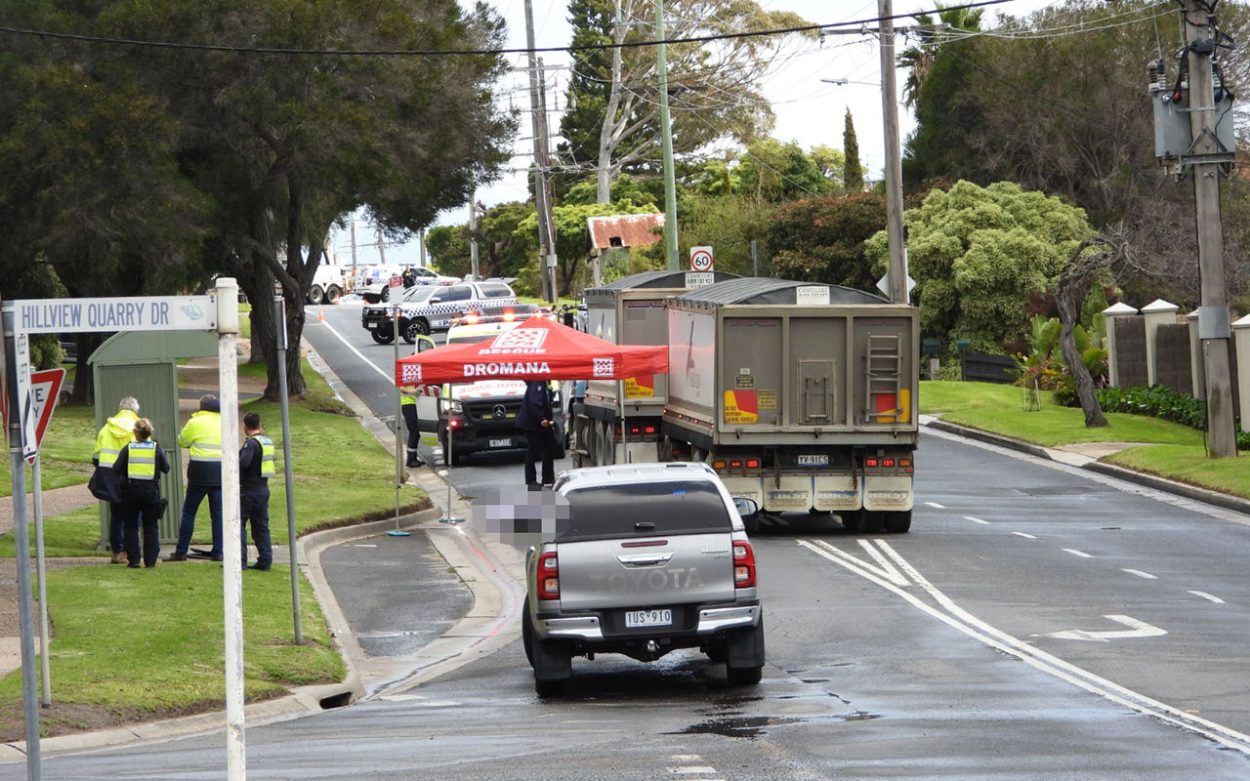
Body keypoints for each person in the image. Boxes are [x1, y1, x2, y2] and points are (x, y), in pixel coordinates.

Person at [166, 395, 223, 562]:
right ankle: (219, 551)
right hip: (220, 471)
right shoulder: (225, 421)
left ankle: (181, 551)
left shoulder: (195, 422)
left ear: (201, 406)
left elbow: (182, 441)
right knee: (218, 514)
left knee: (189, 512)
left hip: (199, 471)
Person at [112, 418, 170, 568]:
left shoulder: (128, 448)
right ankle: (150, 561)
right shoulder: (156, 448)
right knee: (151, 526)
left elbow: (116, 468)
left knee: (130, 525)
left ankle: (134, 560)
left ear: (135, 432)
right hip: (151, 491)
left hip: (131, 491)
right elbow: (166, 468)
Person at [92, 397, 141, 564]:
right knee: (133, 516)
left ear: (120, 409)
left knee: (116, 516)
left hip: (111, 476)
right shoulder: (138, 426)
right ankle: (128, 552)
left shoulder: (107, 427)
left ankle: (116, 552)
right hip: (131, 476)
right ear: (135, 410)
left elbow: (96, 457)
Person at [238, 412, 274, 571]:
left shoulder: (251, 444)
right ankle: (265, 561)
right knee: (261, 527)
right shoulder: (267, 441)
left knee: (238, 524)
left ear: (245, 426)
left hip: (248, 490)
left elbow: (243, 463)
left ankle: (240, 560)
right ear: (259, 424)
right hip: (263, 488)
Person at [517, 380, 557, 488]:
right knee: (534, 450)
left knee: (549, 447)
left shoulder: (543, 382)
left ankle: (547, 478)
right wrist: (542, 418)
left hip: (539, 423)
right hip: (534, 424)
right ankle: (531, 480)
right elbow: (534, 403)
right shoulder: (537, 383)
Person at [399, 385, 425, 468]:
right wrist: (411, 392)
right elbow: (401, 388)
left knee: (416, 432)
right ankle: (411, 460)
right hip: (408, 405)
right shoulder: (405, 377)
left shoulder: (415, 378)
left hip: (415, 404)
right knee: (414, 431)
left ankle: (413, 458)